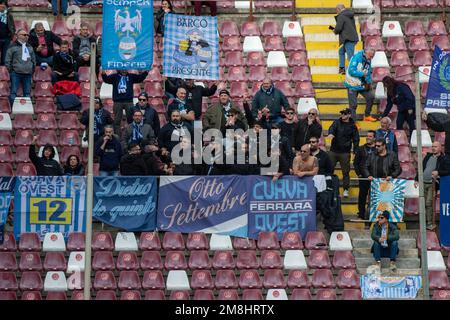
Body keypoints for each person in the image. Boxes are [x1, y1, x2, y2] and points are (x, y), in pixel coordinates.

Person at [102, 69, 149, 136]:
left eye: (125, 68)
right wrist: (103, 74)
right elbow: (106, 80)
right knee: (117, 121)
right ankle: (117, 136)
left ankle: (131, 135)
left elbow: (140, 78)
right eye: (122, 69)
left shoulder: (131, 76)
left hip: (128, 101)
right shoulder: (115, 76)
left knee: (131, 120)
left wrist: (146, 72)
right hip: (117, 102)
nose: (124, 70)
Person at [328, 108, 359, 198]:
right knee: (329, 170)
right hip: (333, 150)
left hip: (345, 152)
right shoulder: (336, 122)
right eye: (342, 113)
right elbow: (332, 128)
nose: (342, 115)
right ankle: (329, 187)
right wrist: (331, 133)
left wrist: (355, 151)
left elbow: (356, 139)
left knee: (346, 172)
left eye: (344, 114)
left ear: (349, 115)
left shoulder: (353, 125)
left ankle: (346, 189)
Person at [415, 141, 445, 230]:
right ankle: (423, 222)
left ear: (440, 148)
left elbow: (443, 170)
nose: (433, 148)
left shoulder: (443, 158)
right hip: (423, 182)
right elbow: (421, 167)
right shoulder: (428, 156)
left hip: (433, 184)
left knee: (429, 203)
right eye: (432, 146)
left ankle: (429, 223)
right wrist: (416, 179)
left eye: (435, 146)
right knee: (422, 203)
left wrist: (438, 177)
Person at [344, 48, 377, 122]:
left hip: (362, 84)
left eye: (372, 57)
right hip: (352, 84)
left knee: (371, 96)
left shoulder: (368, 59)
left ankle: (367, 115)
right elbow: (351, 71)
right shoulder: (356, 57)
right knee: (353, 105)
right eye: (370, 56)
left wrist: (369, 82)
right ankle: (353, 122)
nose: (371, 58)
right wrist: (362, 74)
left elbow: (368, 72)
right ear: (365, 53)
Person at [5, 29, 35, 106]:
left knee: (27, 94)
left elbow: (33, 60)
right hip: (16, 73)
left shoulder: (30, 47)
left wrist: (31, 69)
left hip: (28, 74)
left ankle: (26, 111)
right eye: (24, 35)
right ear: (18, 36)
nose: (26, 36)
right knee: (13, 92)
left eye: (27, 35)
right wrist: (12, 71)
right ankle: (12, 109)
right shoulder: (12, 46)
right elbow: (7, 60)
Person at [353, 130, 377, 219]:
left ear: (374, 138)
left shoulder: (378, 149)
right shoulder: (360, 149)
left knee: (374, 196)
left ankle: (374, 214)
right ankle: (361, 214)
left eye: (370, 136)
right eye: (367, 136)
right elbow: (356, 163)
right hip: (363, 177)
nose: (368, 137)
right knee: (362, 196)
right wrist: (358, 173)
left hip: (375, 177)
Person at [330, 4, 358, 75]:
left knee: (350, 56)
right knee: (341, 51)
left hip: (348, 39)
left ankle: (353, 71)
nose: (337, 12)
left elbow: (338, 28)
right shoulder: (349, 14)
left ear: (339, 9)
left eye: (336, 11)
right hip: (350, 38)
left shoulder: (341, 16)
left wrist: (334, 30)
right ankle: (342, 68)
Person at [0, 0, 15, 66]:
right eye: (1, 4)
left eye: (4, 5)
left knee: (4, 59)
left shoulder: (9, 15)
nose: (3, 6)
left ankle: (3, 73)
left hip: (6, 39)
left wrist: (12, 34)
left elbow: (13, 26)